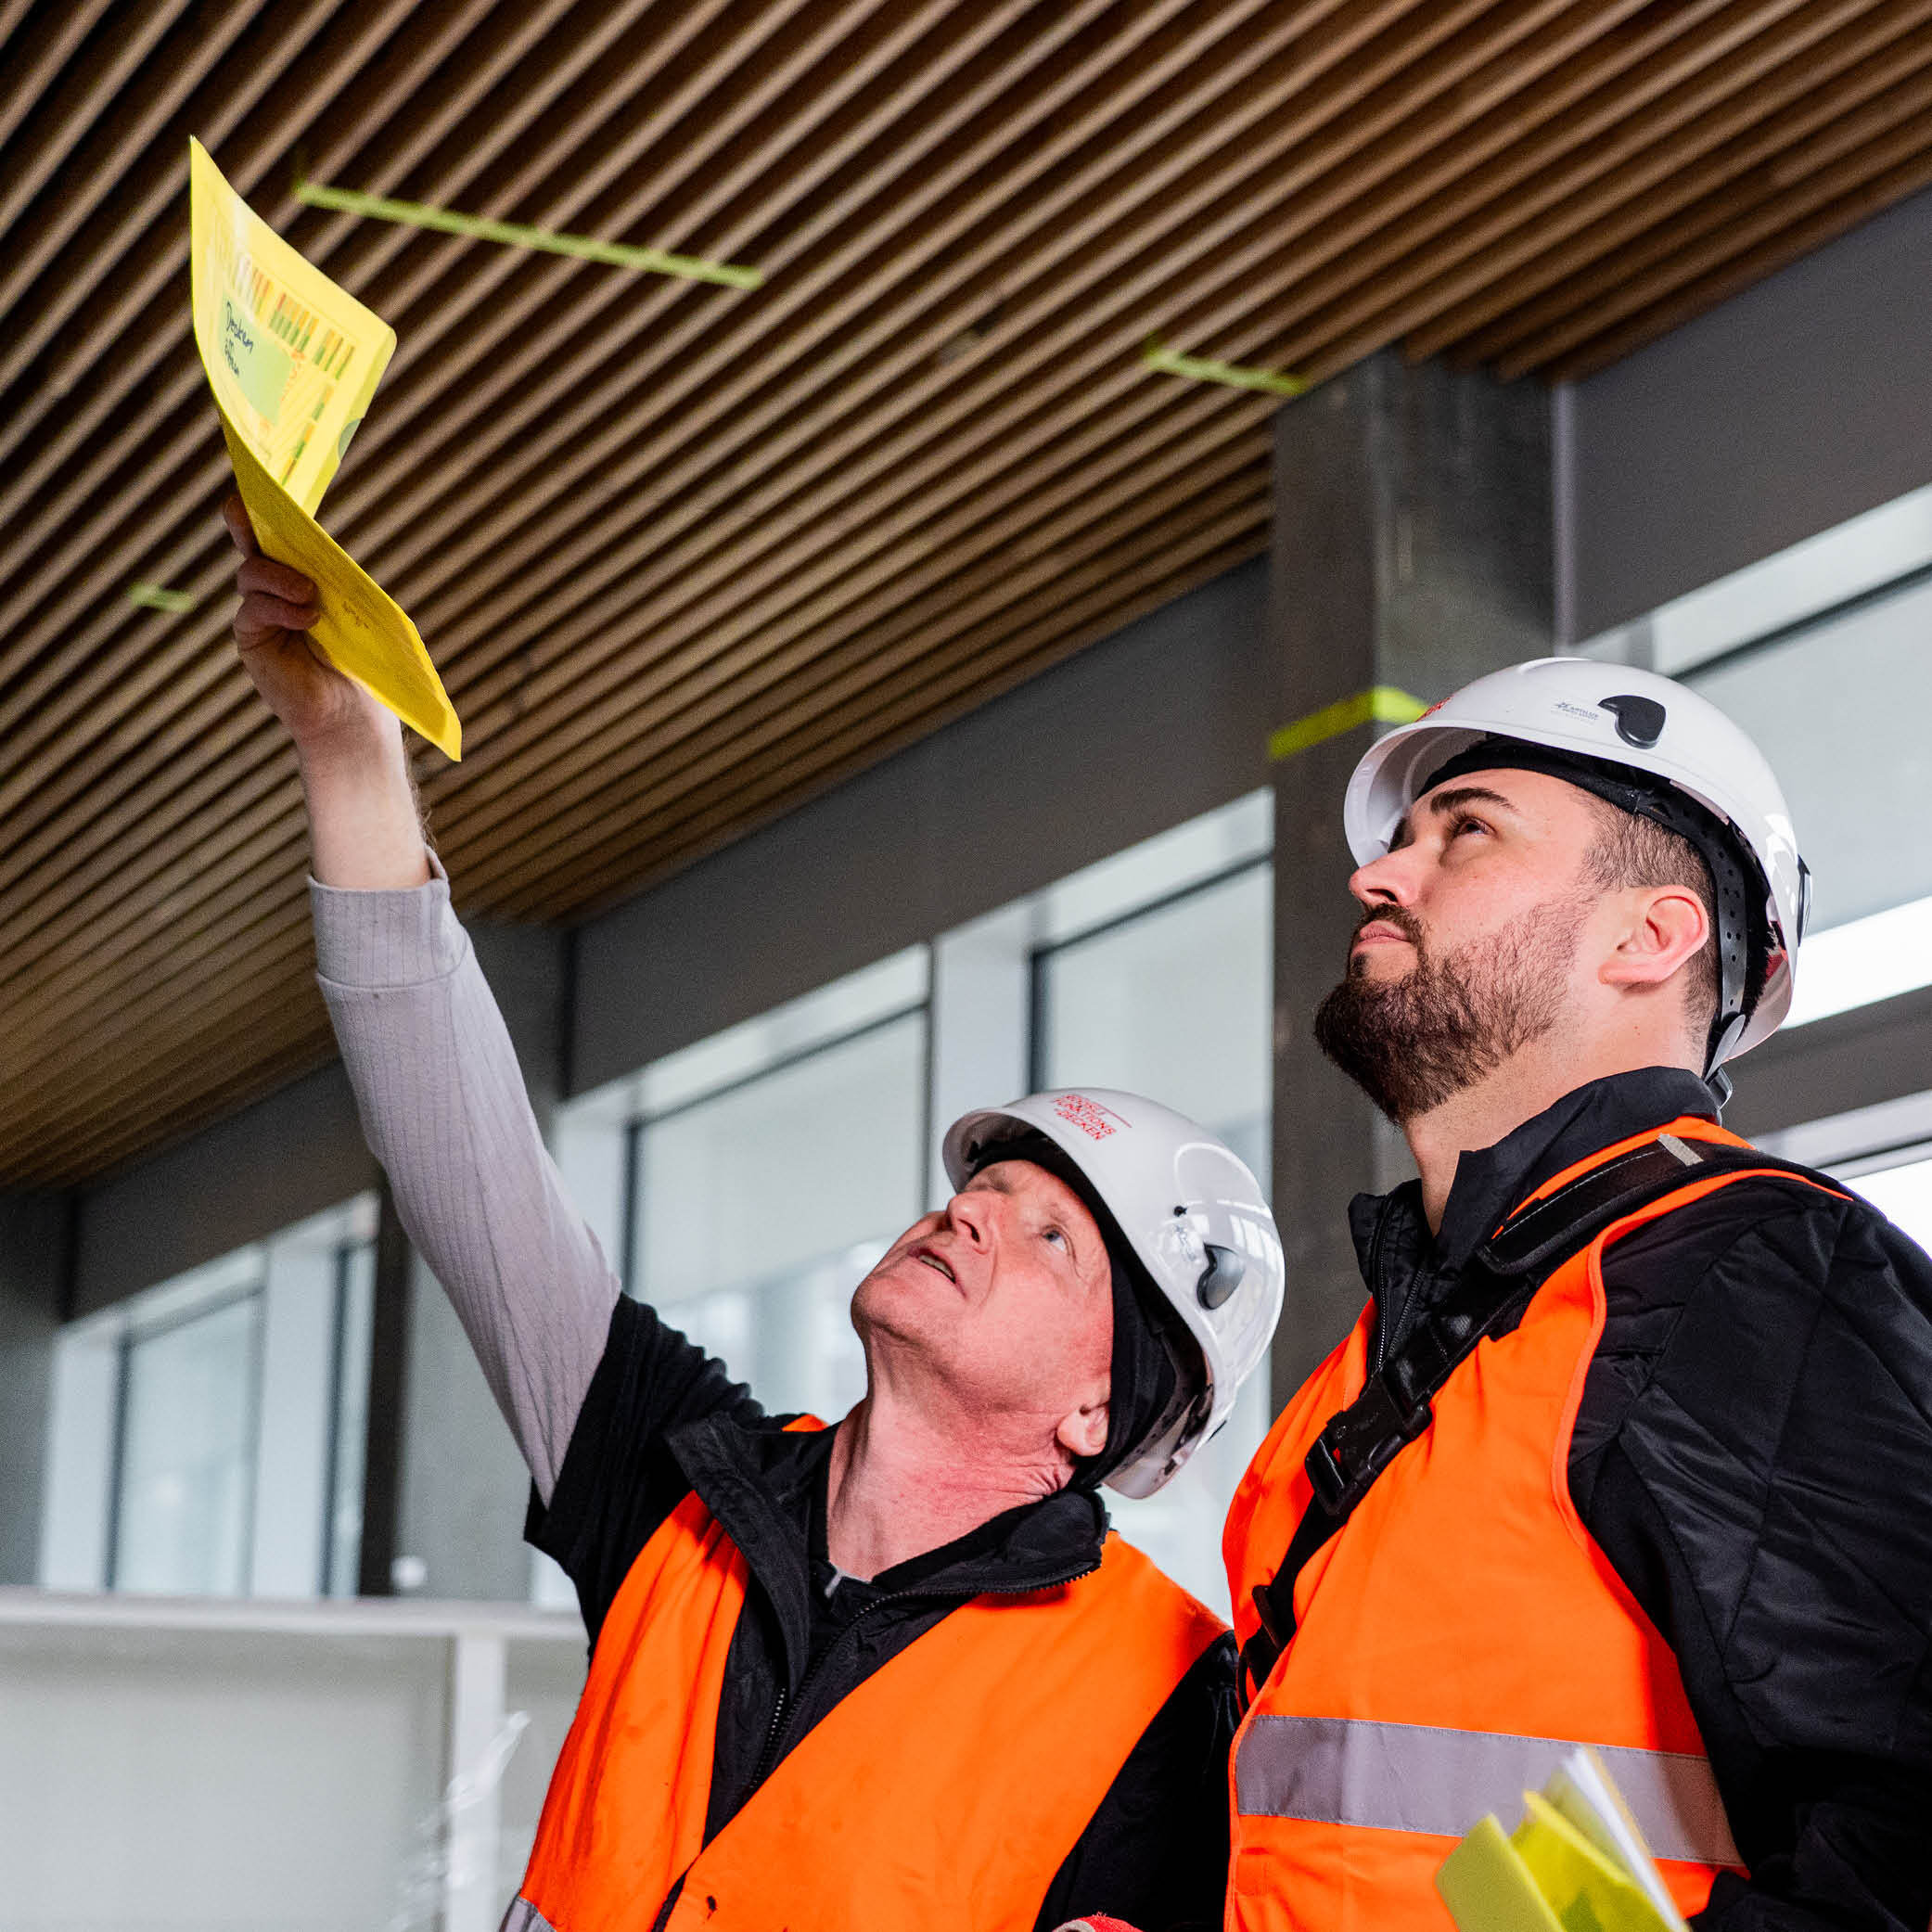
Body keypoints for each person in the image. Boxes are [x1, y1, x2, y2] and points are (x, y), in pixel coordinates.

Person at [222, 498, 1286, 1932]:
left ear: (1100, 1410)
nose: (972, 1217)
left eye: (1049, 1234)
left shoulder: (1171, 1704)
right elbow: (458, 1153)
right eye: (983, 1188)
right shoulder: (679, 1476)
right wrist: (350, 756)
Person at [1223, 657, 1932, 1931]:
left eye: (1467, 831)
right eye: (1402, 841)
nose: (1376, 877)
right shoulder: (1382, 1360)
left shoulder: (1753, 1274)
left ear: (1648, 937)